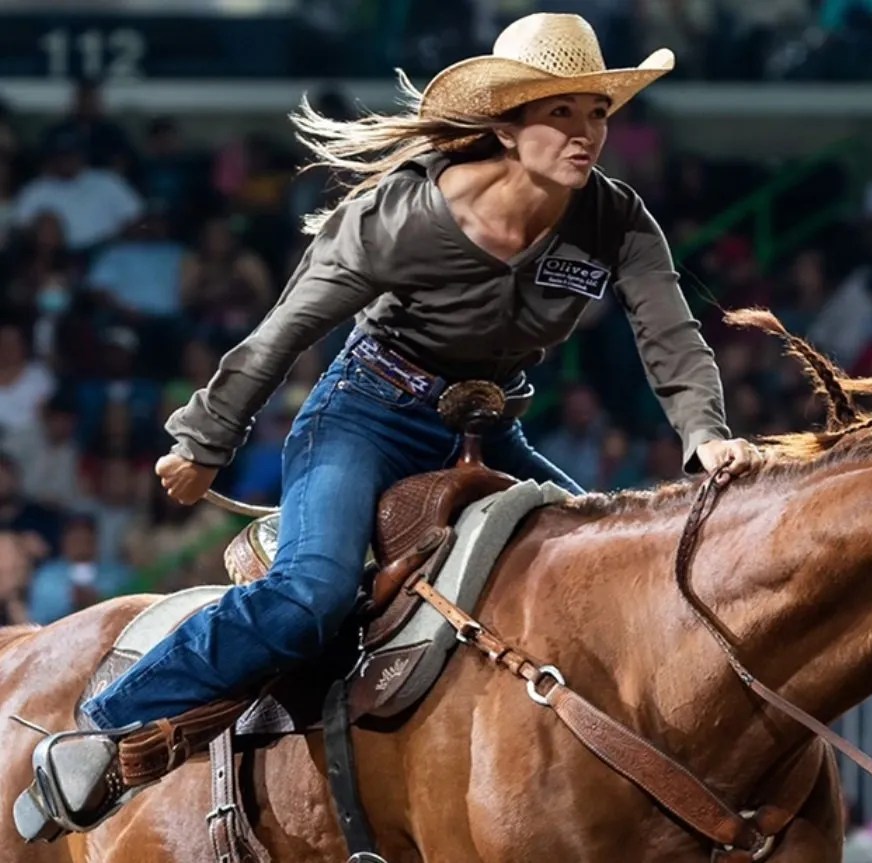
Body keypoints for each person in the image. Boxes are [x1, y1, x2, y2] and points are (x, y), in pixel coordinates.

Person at [14, 12, 763, 839]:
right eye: (561, 114)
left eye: (597, 114)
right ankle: (105, 721)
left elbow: (669, 331)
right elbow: (286, 328)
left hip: (487, 426)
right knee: (311, 595)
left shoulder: (615, 218)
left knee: (606, 592)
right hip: (367, 414)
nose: (587, 134)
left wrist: (702, 430)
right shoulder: (402, 216)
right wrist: (204, 437)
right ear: (507, 127)